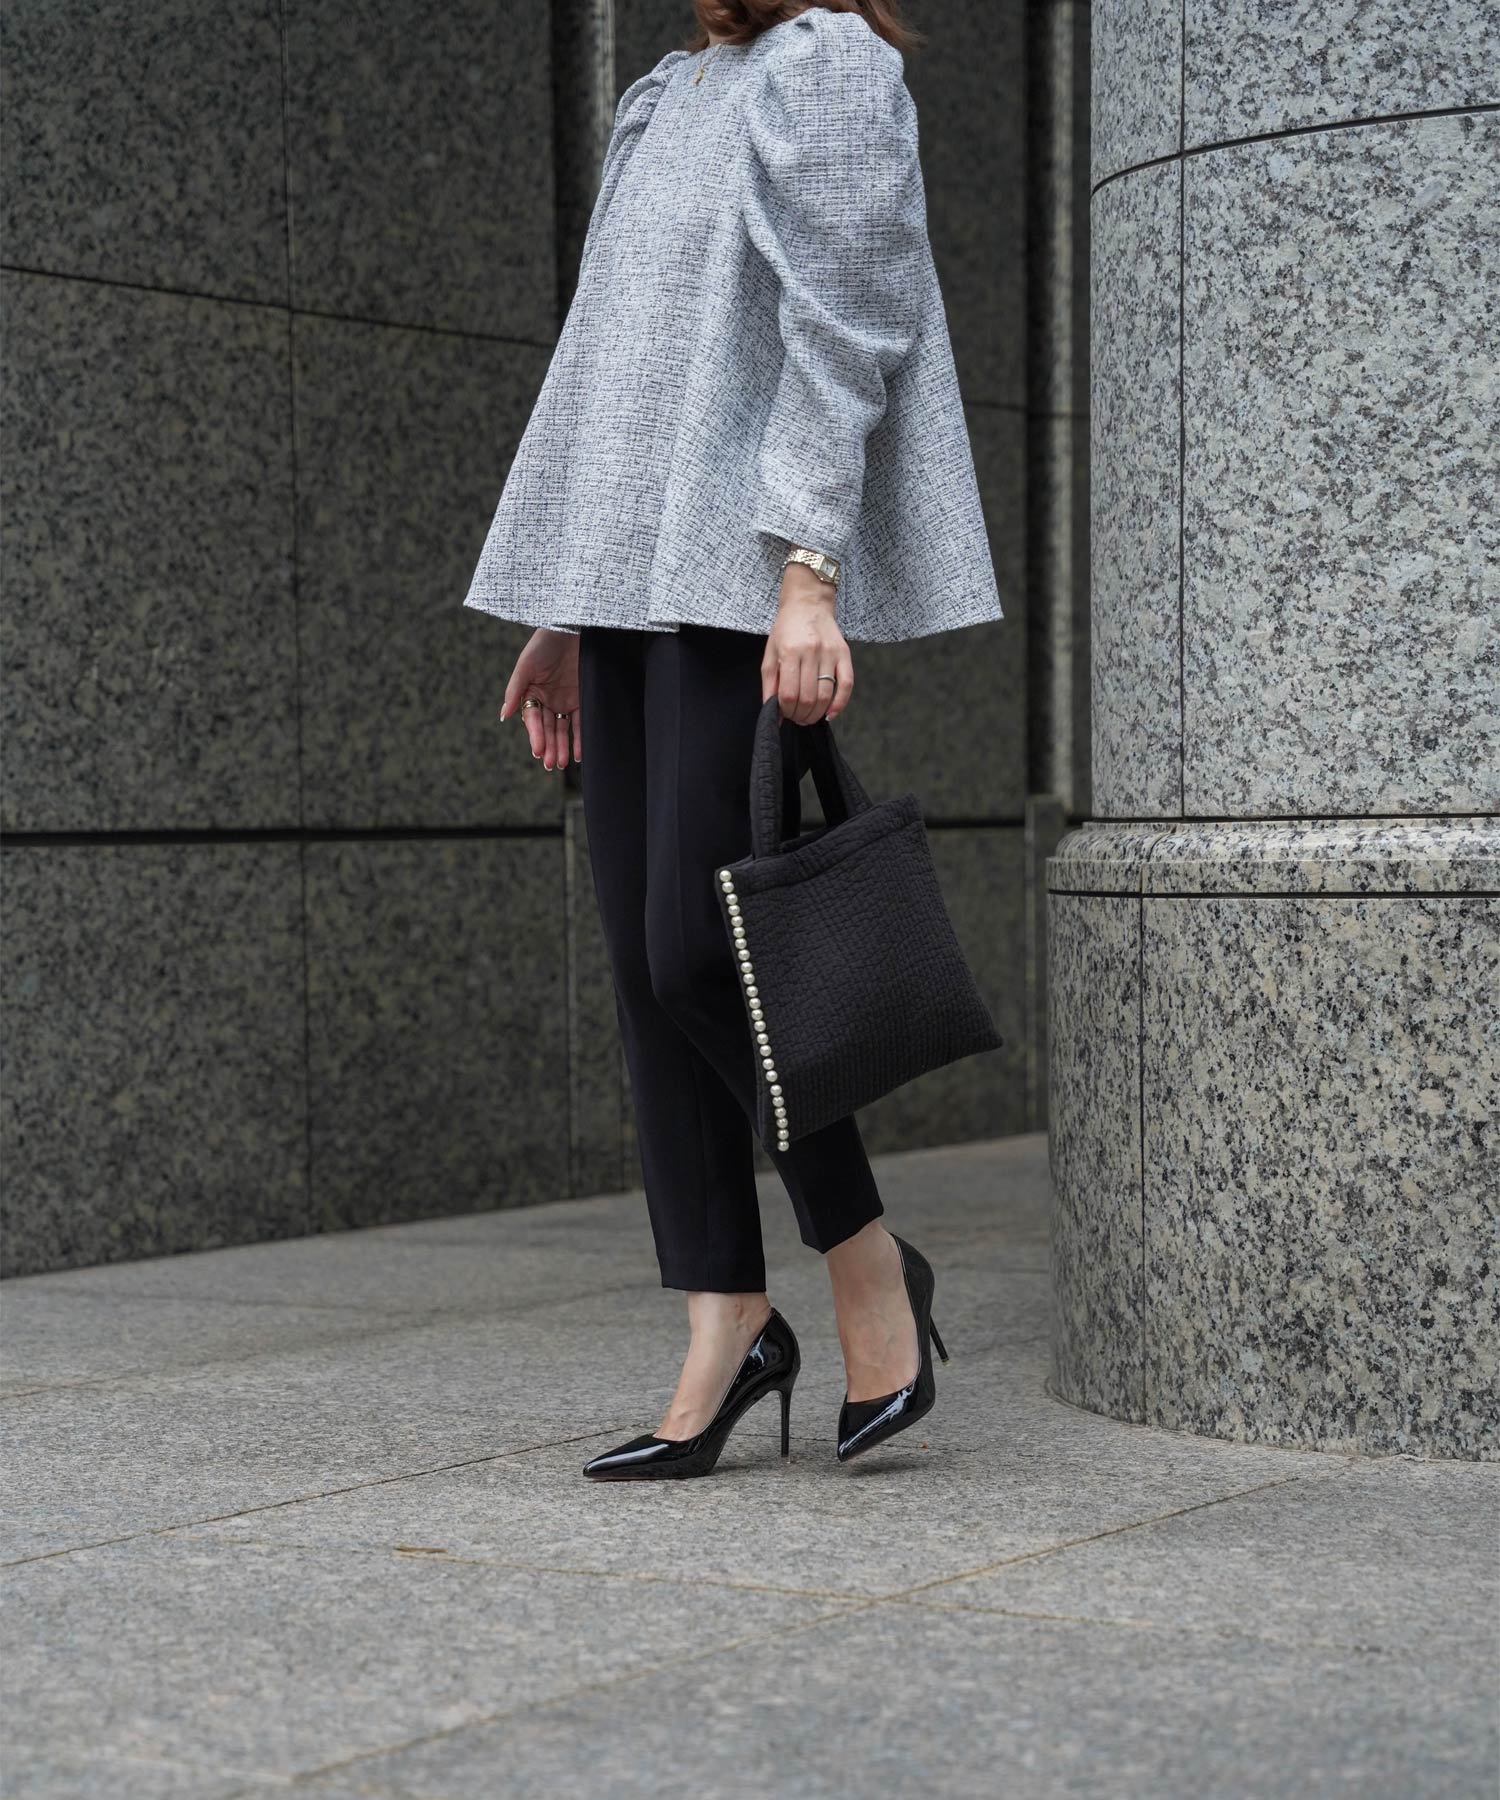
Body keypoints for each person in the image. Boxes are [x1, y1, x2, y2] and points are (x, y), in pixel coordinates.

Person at [462, 0, 1001, 1478]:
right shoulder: (664, 95)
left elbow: (849, 325)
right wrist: (566, 602)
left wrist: (808, 570)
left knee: (704, 950)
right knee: (649, 969)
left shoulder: (830, 65)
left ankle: (866, 1260)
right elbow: (611, 365)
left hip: (741, 575)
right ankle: (726, 1320)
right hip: (628, 588)